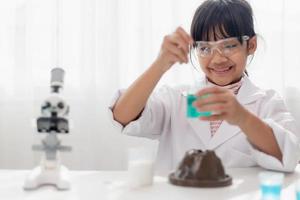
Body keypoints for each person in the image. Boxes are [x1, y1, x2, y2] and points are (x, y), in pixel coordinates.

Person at [109, 0, 300, 173]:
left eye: (229, 46)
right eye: (205, 48)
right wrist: (160, 64)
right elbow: (122, 116)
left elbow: (289, 156)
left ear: (250, 45)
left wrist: (242, 117)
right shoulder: (177, 99)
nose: (217, 59)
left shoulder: (267, 103)